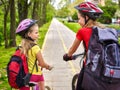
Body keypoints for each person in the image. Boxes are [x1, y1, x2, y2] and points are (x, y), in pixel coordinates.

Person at [63, 2, 105, 90]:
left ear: (86, 17)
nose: (78, 21)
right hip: (105, 68)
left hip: (90, 68)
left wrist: (67, 56)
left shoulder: (83, 31)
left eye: (79, 19)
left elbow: (72, 50)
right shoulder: (103, 29)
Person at [16, 19, 53, 90]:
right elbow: (42, 64)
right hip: (36, 75)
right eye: (36, 32)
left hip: (24, 75)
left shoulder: (21, 46)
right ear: (29, 34)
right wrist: (48, 66)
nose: (38, 34)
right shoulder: (35, 48)